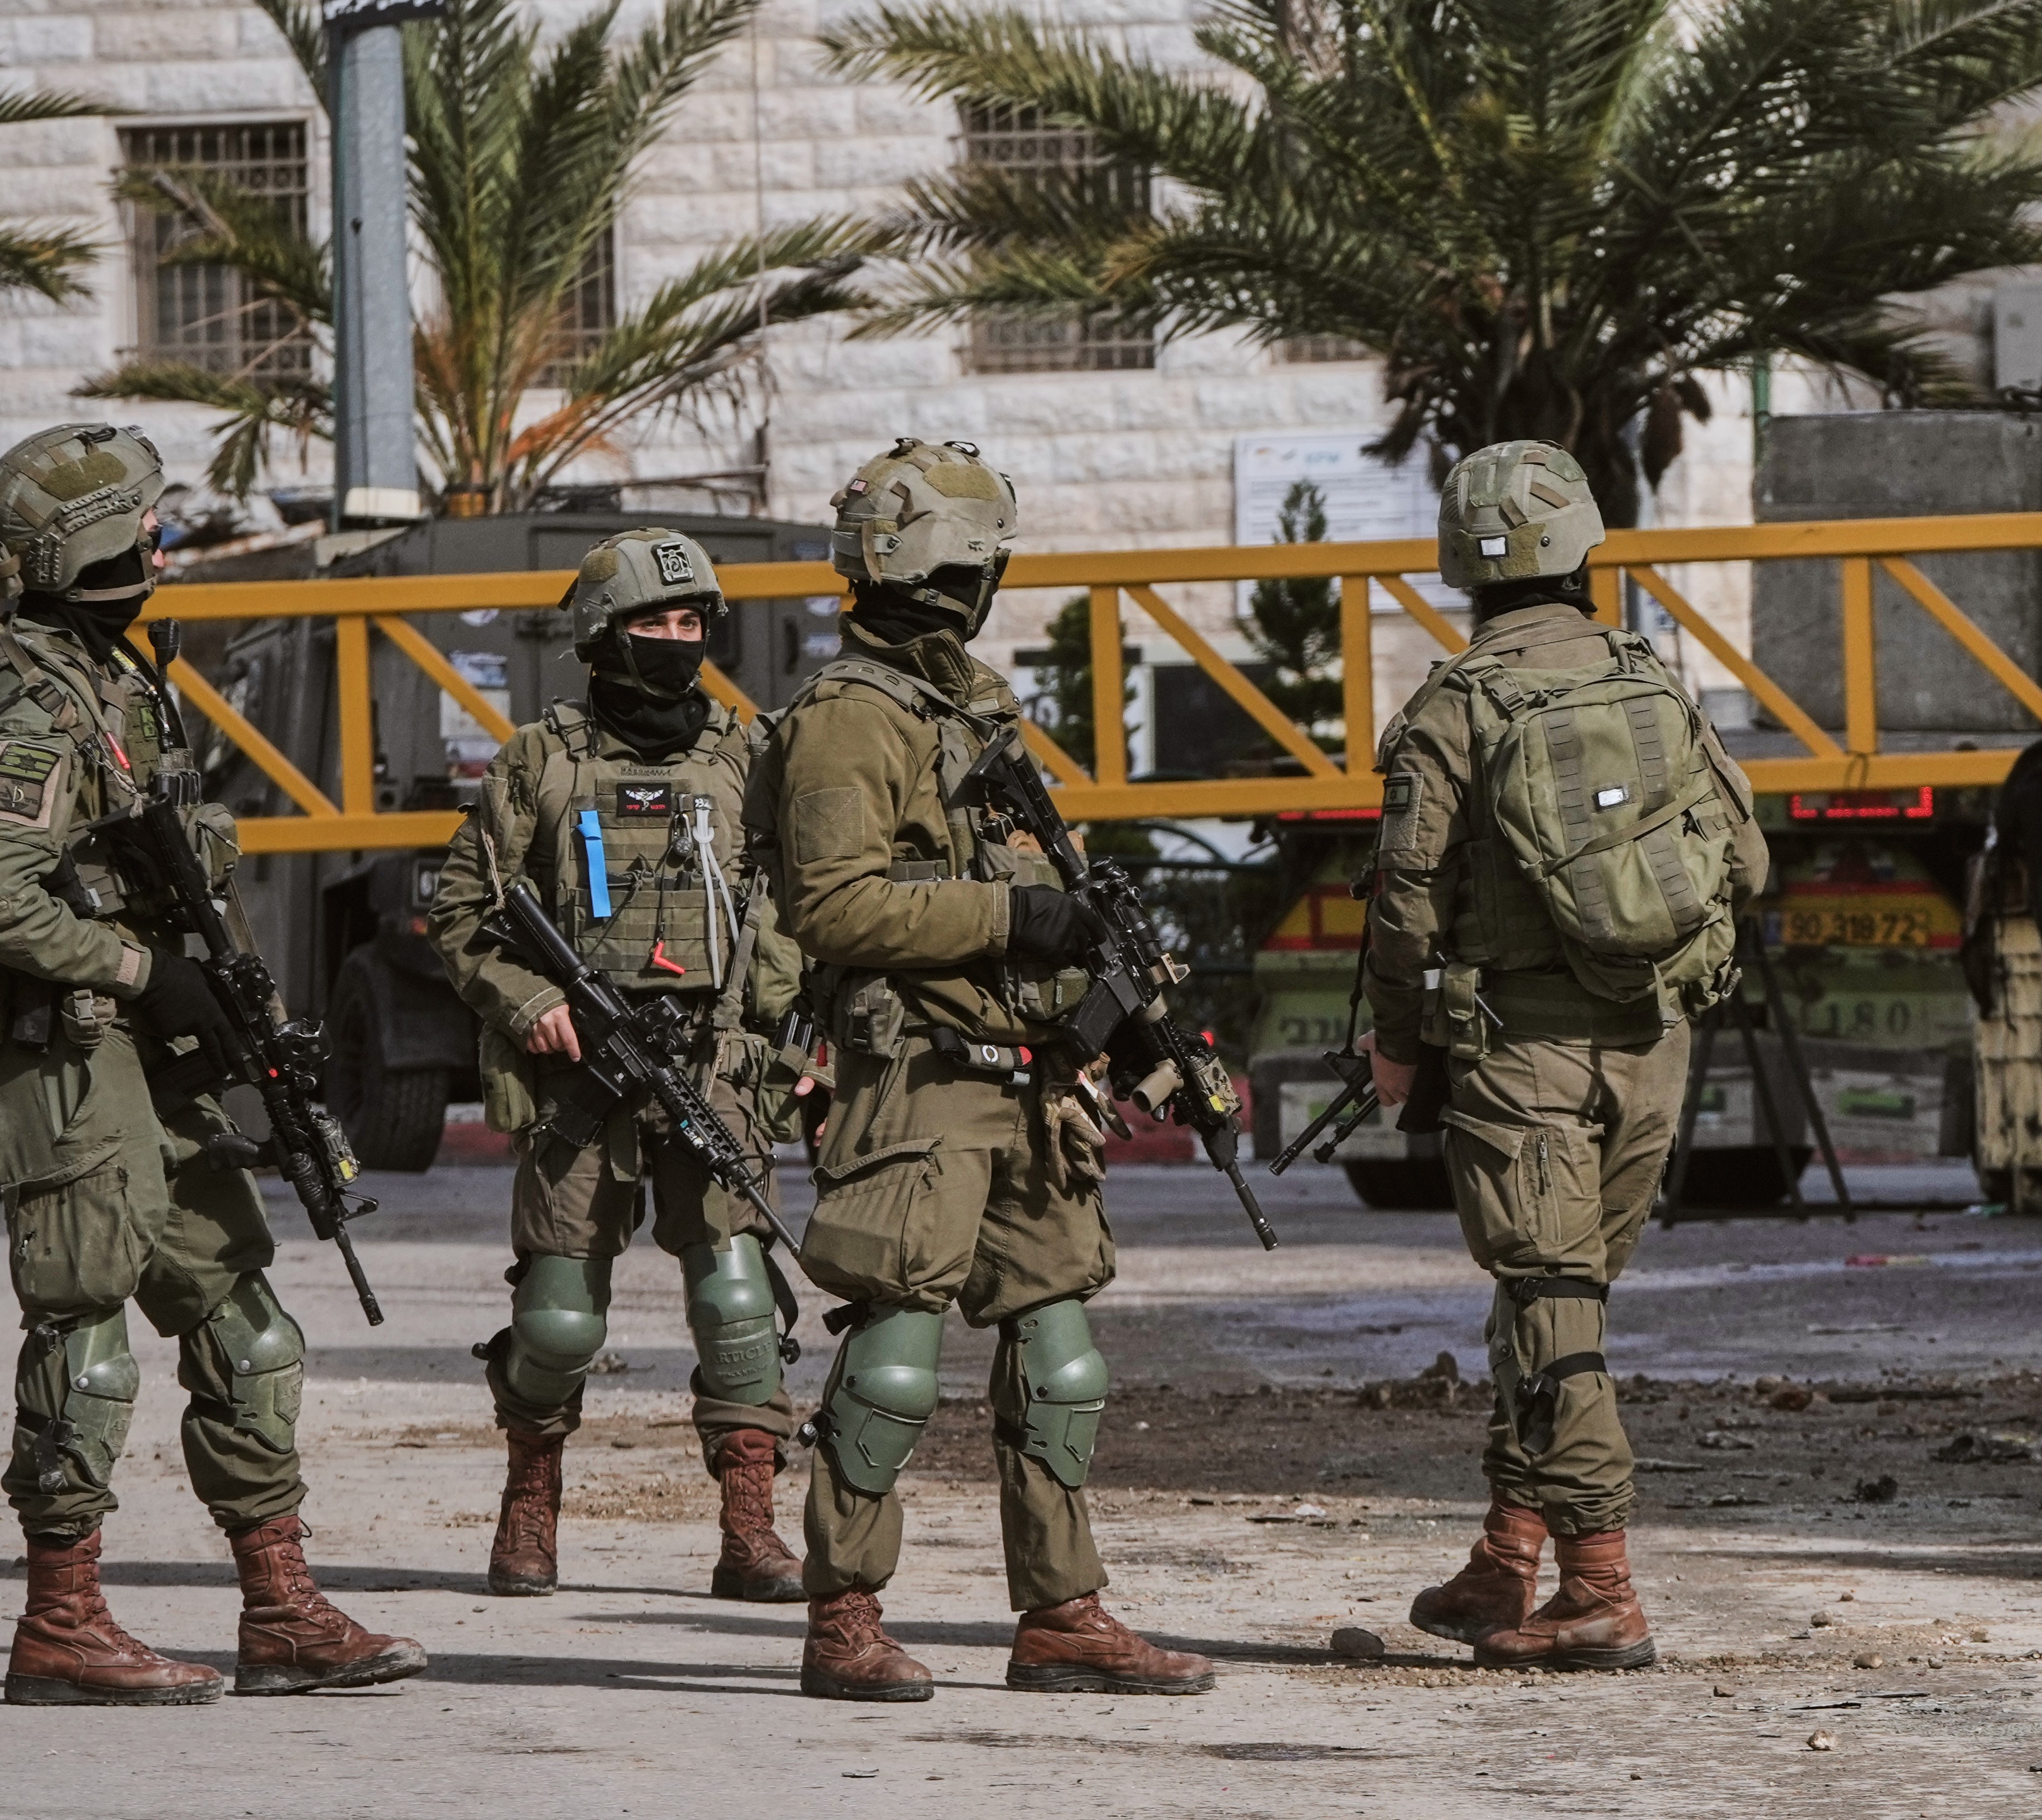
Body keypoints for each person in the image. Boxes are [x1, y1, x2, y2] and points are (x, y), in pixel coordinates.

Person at [768, 439, 1210, 1703]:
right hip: (915, 1076)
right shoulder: (846, 722)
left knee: (1060, 1358)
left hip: (1025, 1079)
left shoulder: (971, 708)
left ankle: (1065, 1613)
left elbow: (1046, 890)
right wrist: (1013, 927)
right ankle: (842, 1612)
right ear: (961, 565)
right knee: (896, 1358)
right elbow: (837, 910)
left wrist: (1123, 1018)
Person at [0, 424, 424, 1704]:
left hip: (156, 1054)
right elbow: (7, 892)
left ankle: (281, 1606)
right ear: (90, 548)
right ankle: (64, 1620)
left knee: (249, 1324)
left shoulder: (115, 676)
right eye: (142, 530)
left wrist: (217, 1000)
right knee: (87, 1332)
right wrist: (141, 974)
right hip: (68, 1056)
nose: (161, 548)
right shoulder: (31, 694)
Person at [1364, 442, 1767, 1670]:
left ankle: (1601, 1587)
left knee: (1549, 1305)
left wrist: (1393, 1044)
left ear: (1458, 569)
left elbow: (1401, 904)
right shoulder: (1651, 683)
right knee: (1555, 1303)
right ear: (1583, 549)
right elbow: (1743, 862)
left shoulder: (1453, 708)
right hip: (1653, 1040)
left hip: (1520, 1053)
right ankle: (1507, 1554)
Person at [427, 527, 804, 1603]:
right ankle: (529, 1503)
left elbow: (785, 905)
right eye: (655, 623)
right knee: (557, 1319)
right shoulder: (539, 762)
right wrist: (533, 1001)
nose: (678, 642)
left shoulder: (743, 756)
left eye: (692, 624)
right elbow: (460, 913)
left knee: (738, 1301)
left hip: (711, 1069)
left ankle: (750, 1527)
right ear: (603, 635)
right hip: (579, 1085)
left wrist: (777, 1026)